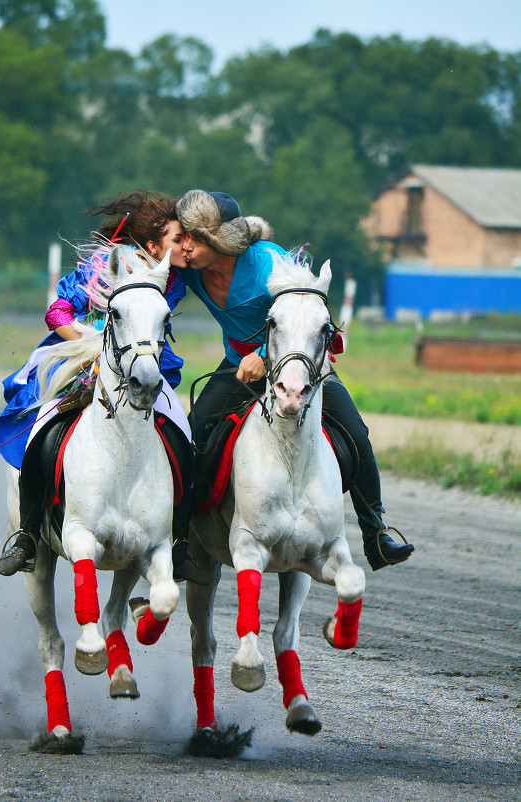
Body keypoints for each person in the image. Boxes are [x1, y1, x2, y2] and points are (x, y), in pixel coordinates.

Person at [175, 189, 415, 571]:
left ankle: (376, 533)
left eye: (193, 237)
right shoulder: (187, 268)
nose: (184, 245)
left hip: (293, 364)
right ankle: (181, 542)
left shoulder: (269, 262)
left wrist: (265, 355)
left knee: (355, 431)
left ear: (217, 242)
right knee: (193, 435)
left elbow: (306, 312)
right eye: (182, 236)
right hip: (237, 364)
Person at [0, 190, 206, 584]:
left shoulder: (173, 277)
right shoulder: (100, 266)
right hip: (79, 362)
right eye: (179, 240)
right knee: (40, 431)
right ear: (151, 244)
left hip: (143, 368)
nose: (186, 246)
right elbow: (56, 311)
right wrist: (89, 344)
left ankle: (178, 542)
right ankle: (26, 534)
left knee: (185, 435)